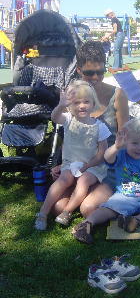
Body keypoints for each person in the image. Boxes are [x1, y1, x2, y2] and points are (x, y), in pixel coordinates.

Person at [49, 41, 129, 225]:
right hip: (78, 165)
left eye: (100, 72)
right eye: (89, 73)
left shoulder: (118, 95)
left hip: (108, 165)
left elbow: (125, 139)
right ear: (78, 70)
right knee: (58, 207)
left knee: (88, 209)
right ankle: (80, 198)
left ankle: (108, 197)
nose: (95, 77)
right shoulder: (74, 96)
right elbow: (71, 134)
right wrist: (63, 163)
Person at [72, 118, 140, 244]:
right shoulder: (121, 154)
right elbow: (107, 158)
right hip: (124, 197)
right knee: (107, 210)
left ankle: (134, 220)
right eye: (135, 143)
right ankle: (86, 225)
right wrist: (116, 146)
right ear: (126, 142)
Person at [35, 82, 112, 230]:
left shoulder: (99, 126)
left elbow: (102, 153)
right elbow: (54, 117)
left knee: (83, 181)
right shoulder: (69, 119)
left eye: (86, 102)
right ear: (71, 105)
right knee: (64, 179)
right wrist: (60, 105)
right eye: (76, 103)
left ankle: (66, 212)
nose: (81, 106)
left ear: (93, 103)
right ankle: (43, 213)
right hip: (71, 163)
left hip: (92, 166)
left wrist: (87, 166)